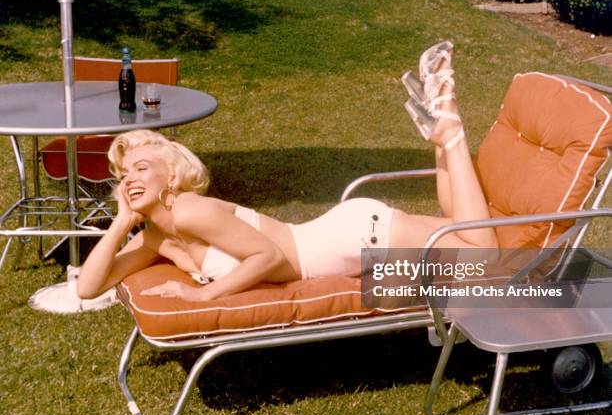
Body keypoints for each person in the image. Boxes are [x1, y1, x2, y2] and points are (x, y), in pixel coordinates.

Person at [77, 42, 497, 302]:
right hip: (344, 235)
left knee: (489, 261)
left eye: (142, 167)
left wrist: (202, 296)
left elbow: (269, 256)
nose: (129, 178)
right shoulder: (157, 235)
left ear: (170, 178)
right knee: (462, 229)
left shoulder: (189, 211)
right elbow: (88, 287)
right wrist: (120, 224)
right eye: (123, 173)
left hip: (352, 239)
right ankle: (443, 134)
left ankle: (450, 131)